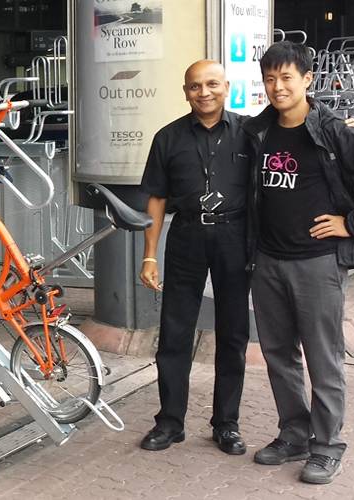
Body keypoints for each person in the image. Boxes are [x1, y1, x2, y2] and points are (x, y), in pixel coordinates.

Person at [242, 41, 354, 484]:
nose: (277, 87)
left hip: (317, 264)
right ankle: (294, 434)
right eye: (270, 79)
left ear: (308, 80)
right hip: (269, 260)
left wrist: (353, 224)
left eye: (286, 78)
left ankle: (327, 445)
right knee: (278, 354)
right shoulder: (257, 131)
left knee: (323, 358)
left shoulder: (334, 131)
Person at [138, 60, 251, 455]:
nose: (204, 92)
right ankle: (170, 422)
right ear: (185, 91)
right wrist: (150, 255)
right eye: (195, 86)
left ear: (227, 87)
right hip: (186, 234)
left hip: (235, 237)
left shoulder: (250, 133)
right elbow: (156, 198)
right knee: (174, 333)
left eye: (212, 84)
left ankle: (226, 424)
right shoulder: (167, 138)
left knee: (233, 333)